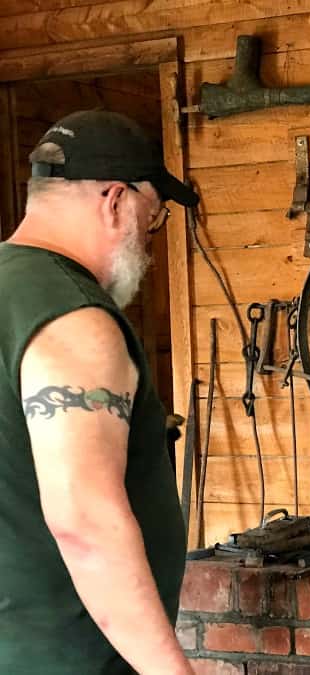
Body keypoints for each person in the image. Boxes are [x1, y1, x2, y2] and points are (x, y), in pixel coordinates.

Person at [0, 110, 200, 674]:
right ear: (115, 200)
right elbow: (84, 522)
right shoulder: (74, 319)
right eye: (152, 218)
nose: (150, 244)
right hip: (67, 659)